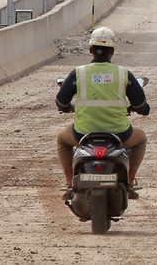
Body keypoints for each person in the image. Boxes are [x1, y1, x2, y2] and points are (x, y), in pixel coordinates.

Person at [55, 27, 150, 201]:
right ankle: (129, 181)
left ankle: (70, 182)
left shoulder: (79, 73)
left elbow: (61, 101)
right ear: (112, 52)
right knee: (141, 139)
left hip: (83, 133)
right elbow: (142, 105)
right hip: (120, 134)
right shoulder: (123, 74)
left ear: (90, 50)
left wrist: (69, 107)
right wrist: (140, 109)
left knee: (62, 139)